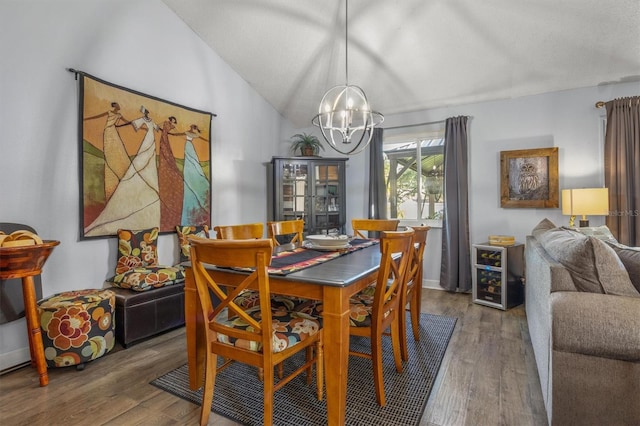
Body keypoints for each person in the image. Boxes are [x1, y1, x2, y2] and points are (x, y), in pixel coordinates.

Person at [84, 106, 160, 237]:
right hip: (144, 141)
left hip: (150, 143)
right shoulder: (144, 120)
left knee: (146, 166)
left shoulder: (150, 121)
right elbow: (135, 124)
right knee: (137, 164)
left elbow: (155, 128)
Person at [83, 102, 131, 202]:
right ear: (115, 106)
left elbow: (127, 122)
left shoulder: (119, 115)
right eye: (117, 105)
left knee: (119, 152)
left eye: (118, 105)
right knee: (110, 153)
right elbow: (97, 116)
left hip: (114, 131)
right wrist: (85, 118)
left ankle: (122, 174)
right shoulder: (109, 112)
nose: (119, 107)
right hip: (108, 132)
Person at [178, 124, 210, 225]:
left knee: (194, 161)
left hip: (190, 146)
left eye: (195, 128)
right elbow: (178, 133)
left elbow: (201, 137)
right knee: (189, 160)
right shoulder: (188, 132)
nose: (193, 129)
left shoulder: (194, 135)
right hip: (187, 145)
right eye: (193, 128)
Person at [157, 116, 184, 230]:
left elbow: (176, 132)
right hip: (164, 138)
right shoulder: (166, 123)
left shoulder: (169, 126)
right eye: (173, 121)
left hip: (165, 137)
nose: (173, 123)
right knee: (165, 150)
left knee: (167, 152)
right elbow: (159, 126)